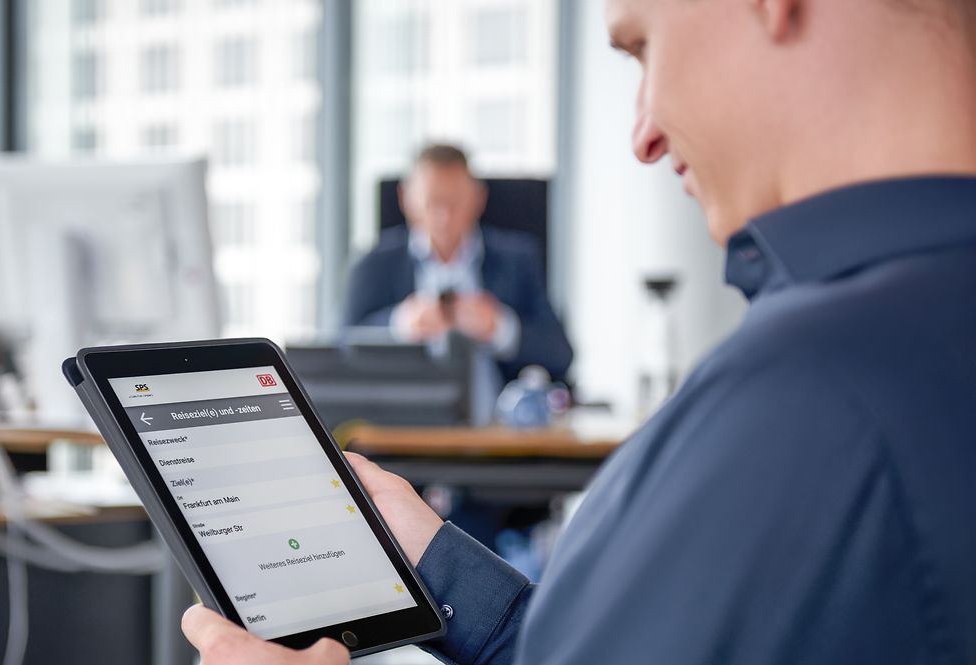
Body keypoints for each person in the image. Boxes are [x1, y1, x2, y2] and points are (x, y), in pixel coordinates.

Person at [182, 0, 976, 661]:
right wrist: (434, 560)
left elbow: (555, 351)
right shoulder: (886, 350)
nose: (642, 136)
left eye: (640, 49)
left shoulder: (804, 393)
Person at [343, 144, 574, 386]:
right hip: (401, 417)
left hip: (495, 418)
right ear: (406, 198)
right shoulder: (374, 264)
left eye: (455, 202)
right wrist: (397, 326)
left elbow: (559, 353)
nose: (444, 216)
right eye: (432, 202)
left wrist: (500, 327)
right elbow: (338, 346)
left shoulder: (518, 261)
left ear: (478, 198)